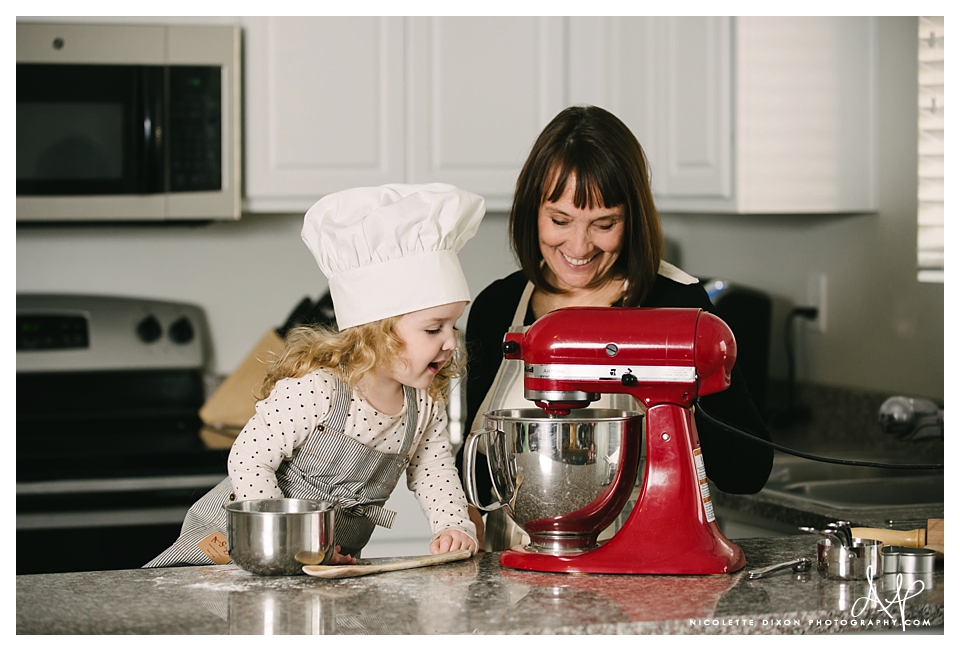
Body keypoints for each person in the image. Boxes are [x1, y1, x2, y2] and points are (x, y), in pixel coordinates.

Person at [455, 105, 774, 551]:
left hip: (646, 574)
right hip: (513, 575)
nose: (579, 246)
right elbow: (479, 467)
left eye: (604, 224)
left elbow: (748, 471)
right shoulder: (498, 307)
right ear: (533, 212)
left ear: (633, 220)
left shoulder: (676, 305)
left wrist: (683, 385)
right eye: (560, 220)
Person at [146, 183, 482, 568]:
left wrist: (454, 526)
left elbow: (433, 471)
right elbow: (248, 459)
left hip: (314, 564)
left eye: (453, 327)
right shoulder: (317, 390)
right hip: (232, 549)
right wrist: (283, 538)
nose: (450, 343)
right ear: (376, 330)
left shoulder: (423, 406)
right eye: (433, 329)